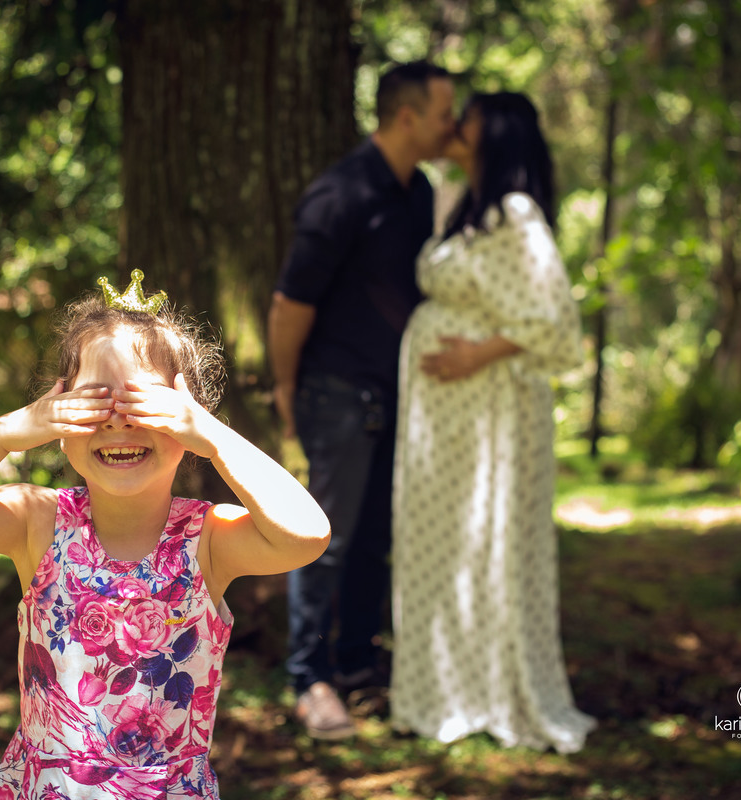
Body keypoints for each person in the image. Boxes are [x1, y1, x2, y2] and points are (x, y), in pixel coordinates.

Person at [0, 271, 330, 799]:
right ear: (58, 421)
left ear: (185, 424)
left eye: (147, 406)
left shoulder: (208, 538)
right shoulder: (39, 522)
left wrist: (213, 435)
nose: (119, 424)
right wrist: (7, 432)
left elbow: (308, 534)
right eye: (95, 404)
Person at [390, 92, 597, 753]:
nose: (456, 124)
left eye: (469, 115)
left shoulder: (514, 211)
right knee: (440, 546)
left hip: (488, 412)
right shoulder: (464, 204)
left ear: (495, 131)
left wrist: (480, 351)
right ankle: (438, 690)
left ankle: (490, 690)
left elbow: (555, 318)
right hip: (445, 419)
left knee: (487, 541)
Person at [268, 61, 457, 739]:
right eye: (444, 114)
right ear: (406, 116)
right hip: (334, 394)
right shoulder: (339, 194)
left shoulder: (420, 192)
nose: (452, 126)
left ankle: (357, 668)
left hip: (399, 394)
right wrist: (288, 387)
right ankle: (308, 678)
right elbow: (289, 305)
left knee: (376, 540)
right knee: (326, 540)